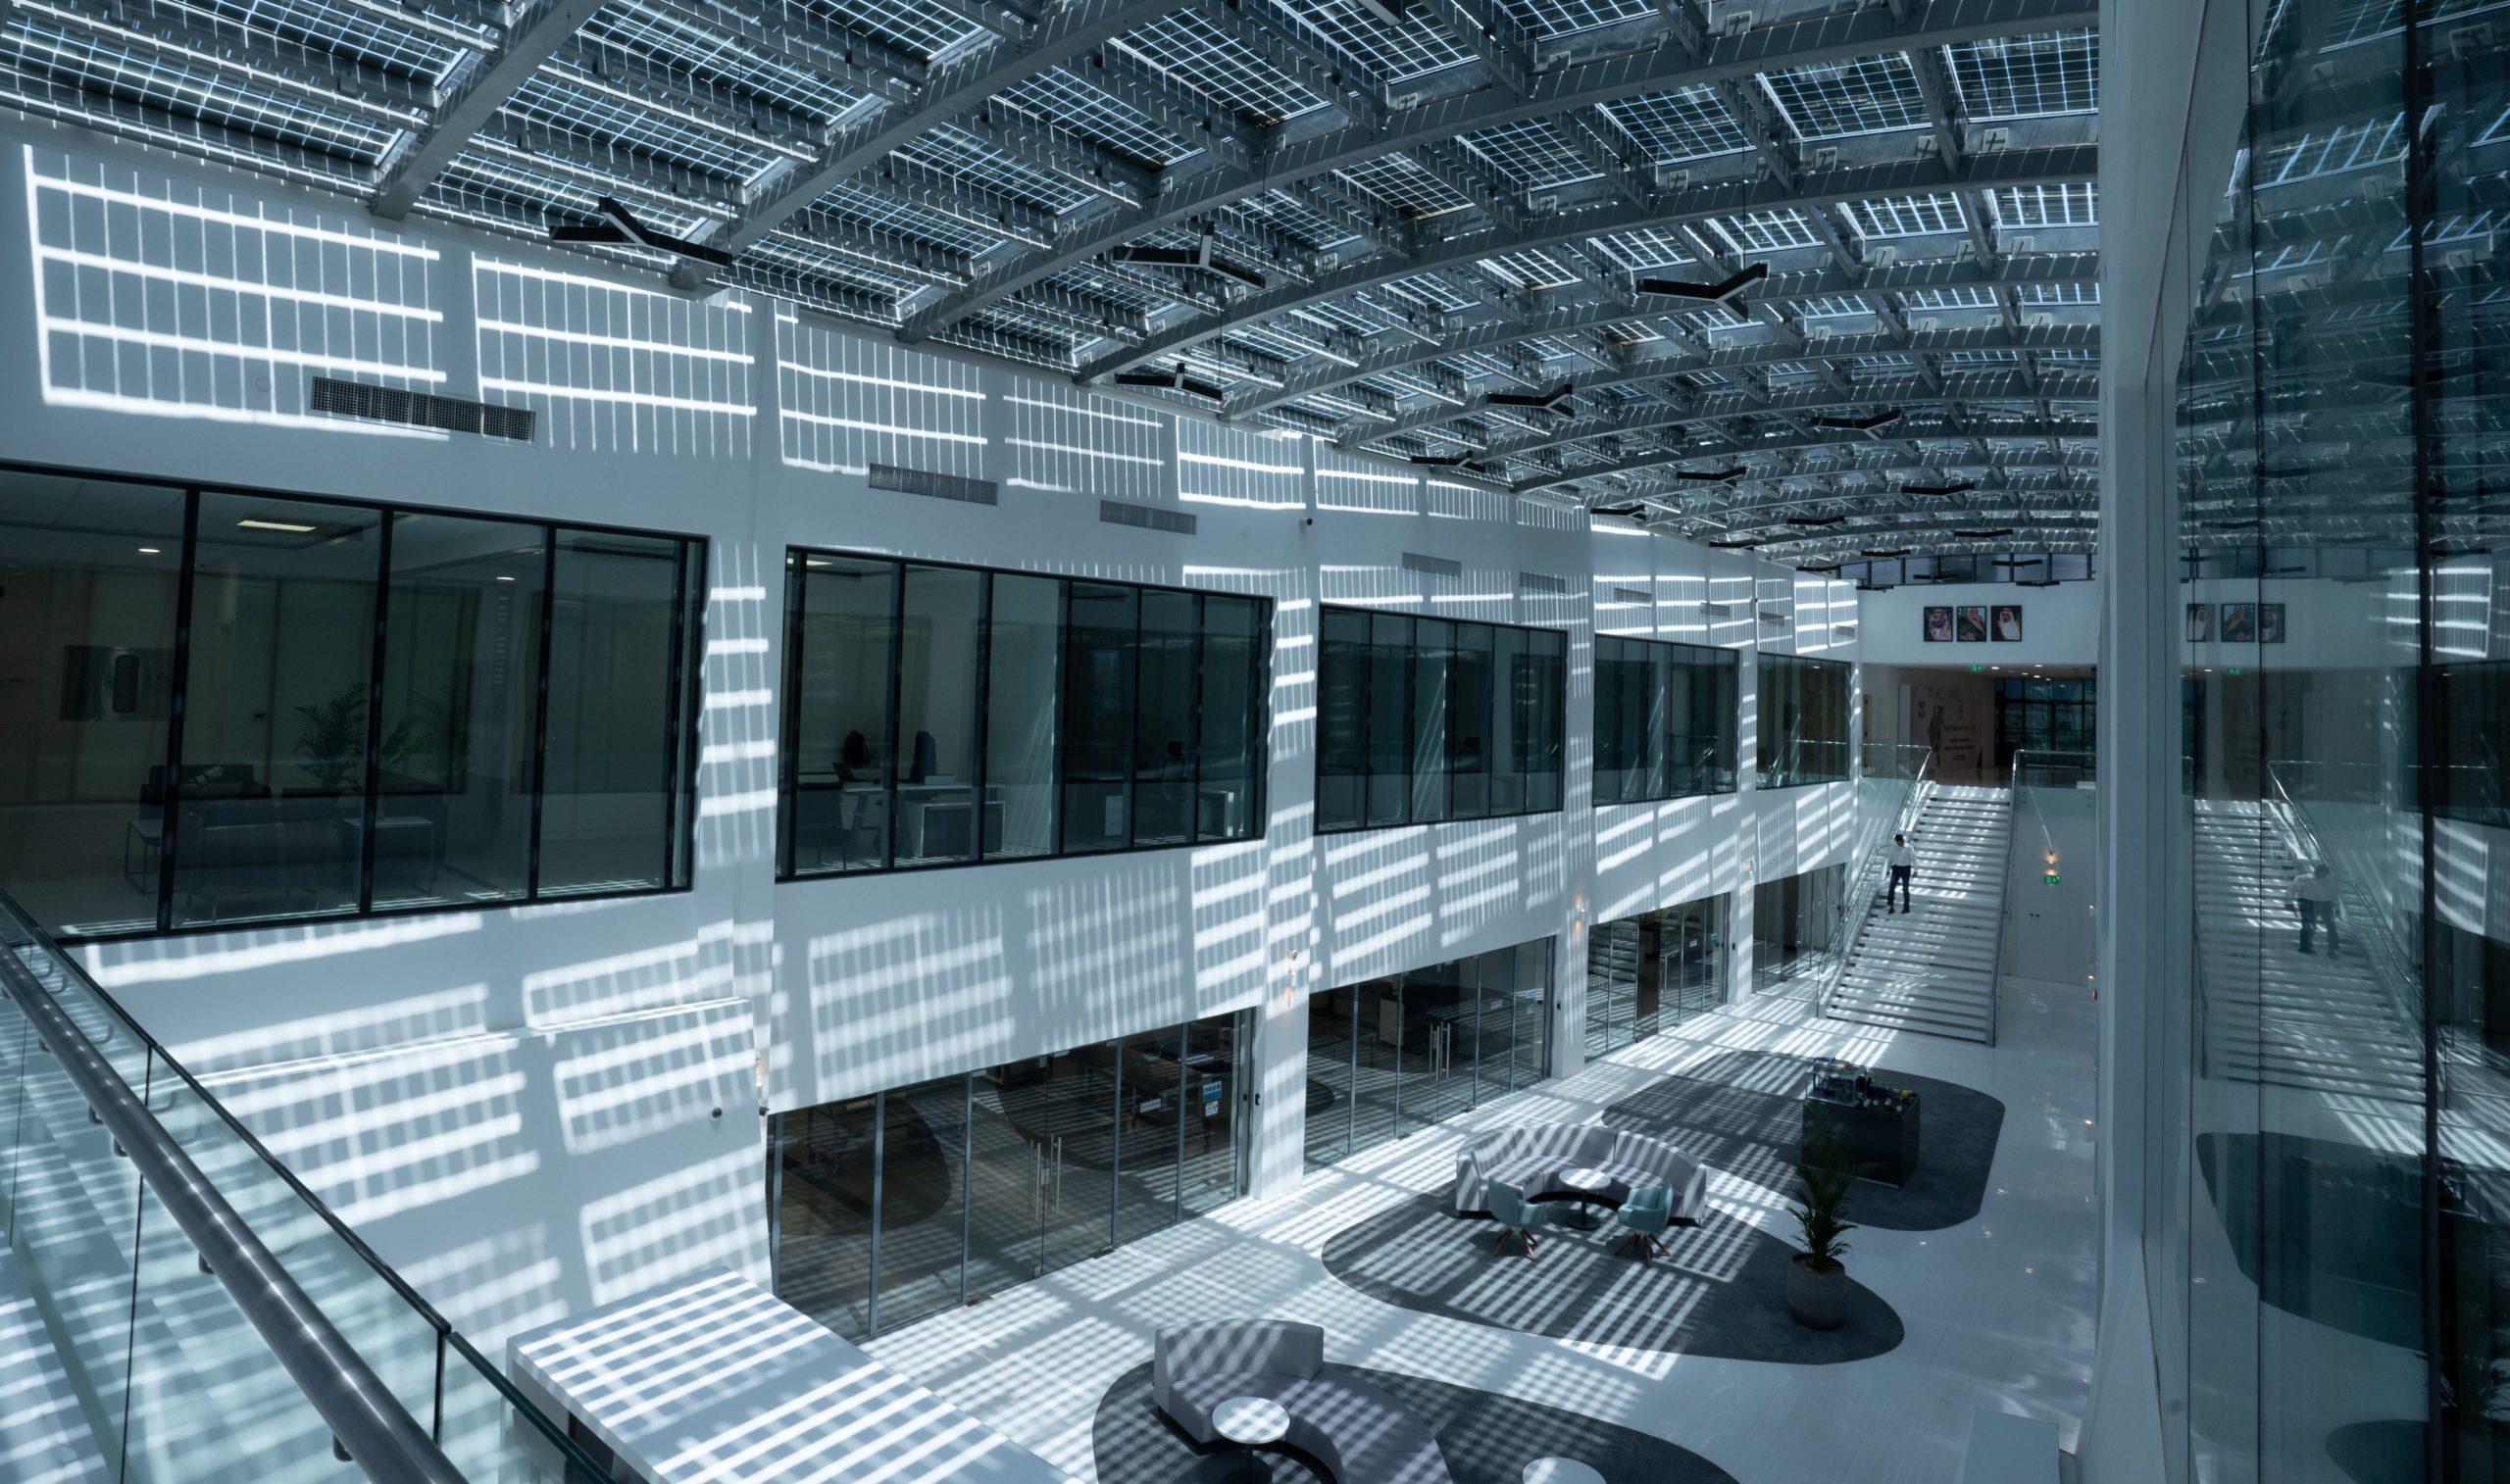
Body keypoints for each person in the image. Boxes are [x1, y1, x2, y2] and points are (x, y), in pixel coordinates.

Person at [2292, 863, 2339, 956]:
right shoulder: (2303, 878)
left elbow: (2335, 896)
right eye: (2321, 874)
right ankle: (2305, 947)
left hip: (2326, 903)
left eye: (2324, 874)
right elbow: (2292, 890)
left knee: (2331, 926)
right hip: (2309, 903)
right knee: (2310, 926)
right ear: (2316, 872)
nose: (2323, 876)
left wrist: (2337, 909)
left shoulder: (2330, 882)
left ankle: (2333, 947)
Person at [1887, 833, 1915, 915]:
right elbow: (1890, 859)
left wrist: (1915, 870)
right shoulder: (1893, 847)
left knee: (1905, 889)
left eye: (1900, 842)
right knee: (1891, 887)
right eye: (1897, 843)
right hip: (1896, 868)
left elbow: (1914, 859)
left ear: (1902, 840)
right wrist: (1888, 870)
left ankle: (1906, 908)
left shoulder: (1909, 847)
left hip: (1906, 869)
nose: (1899, 844)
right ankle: (1891, 906)